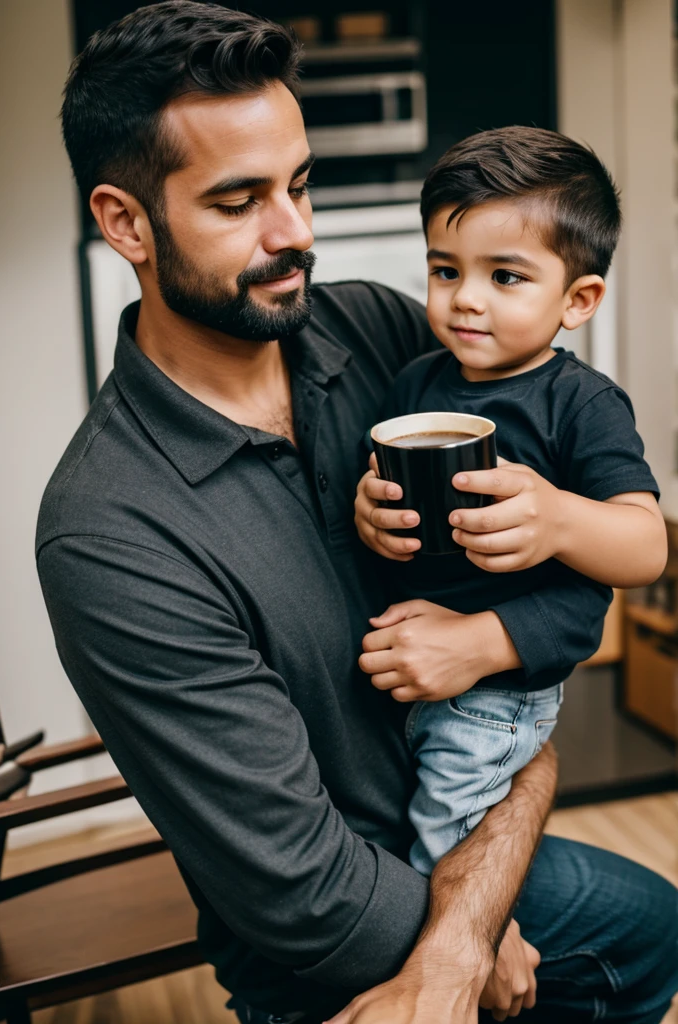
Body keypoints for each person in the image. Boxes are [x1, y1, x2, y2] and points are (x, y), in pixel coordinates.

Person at [35, 3, 677, 1022]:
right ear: (124, 223)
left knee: (651, 921)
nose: (295, 232)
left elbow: (549, 621)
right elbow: (301, 897)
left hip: (468, 807)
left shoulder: (380, 338)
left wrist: (478, 883)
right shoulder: (110, 532)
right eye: (239, 200)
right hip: (343, 934)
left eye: (297, 184)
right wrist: (467, 939)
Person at [354, 126, 668, 877]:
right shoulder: (415, 385)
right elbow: (377, 487)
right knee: (406, 828)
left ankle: (458, 977)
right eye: (445, 269)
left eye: (506, 277)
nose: (466, 299)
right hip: (409, 673)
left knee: (445, 849)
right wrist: (370, 512)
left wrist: (558, 517)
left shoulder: (582, 403)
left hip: (497, 691)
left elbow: (644, 543)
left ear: (579, 299)